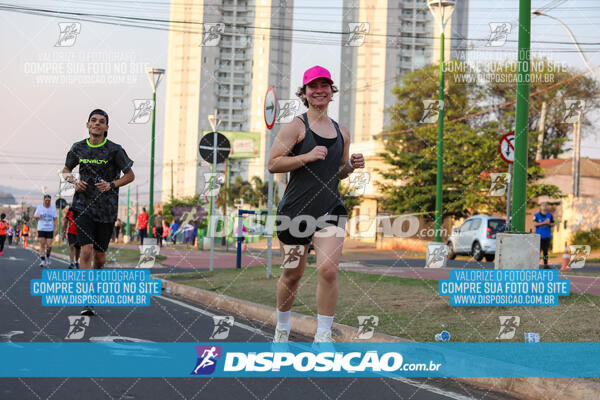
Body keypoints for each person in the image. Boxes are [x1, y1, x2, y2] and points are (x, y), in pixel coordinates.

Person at [268, 66, 364, 343]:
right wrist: (306, 156)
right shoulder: (296, 126)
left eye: (325, 86)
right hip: (295, 211)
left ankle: (323, 336)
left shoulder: (342, 131)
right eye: (313, 86)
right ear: (305, 93)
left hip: (329, 208)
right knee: (292, 274)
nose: (319, 91)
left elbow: (338, 172)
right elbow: (273, 164)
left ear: (331, 91)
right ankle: (282, 329)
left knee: (328, 270)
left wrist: (351, 167)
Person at [62, 108, 135, 316]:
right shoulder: (78, 148)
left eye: (101, 122)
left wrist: (112, 184)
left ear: (106, 127)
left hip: (107, 210)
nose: (96, 124)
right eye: (93, 121)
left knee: (100, 258)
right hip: (83, 206)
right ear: (87, 125)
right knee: (85, 251)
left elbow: (130, 175)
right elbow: (66, 170)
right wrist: (74, 181)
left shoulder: (115, 150)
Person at [33, 194, 58, 268]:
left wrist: (56, 229)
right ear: (43, 200)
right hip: (41, 228)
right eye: (46, 200)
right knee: (42, 244)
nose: (47, 202)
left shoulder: (53, 208)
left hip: (50, 229)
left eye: (49, 200)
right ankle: (43, 260)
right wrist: (38, 216)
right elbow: (35, 216)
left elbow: (55, 219)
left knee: (49, 246)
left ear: (50, 201)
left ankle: (48, 256)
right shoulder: (39, 207)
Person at [534, 202, 555, 269]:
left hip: (547, 236)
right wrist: (544, 223)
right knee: (538, 251)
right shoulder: (536, 215)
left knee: (545, 251)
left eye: (546, 206)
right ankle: (536, 265)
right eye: (543, 206)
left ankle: (546, 265)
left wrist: (548, 223)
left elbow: (553, 224)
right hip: (539, 236)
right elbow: (535, 224)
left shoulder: (549, 215)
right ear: (540, 207)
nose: (545, 207)